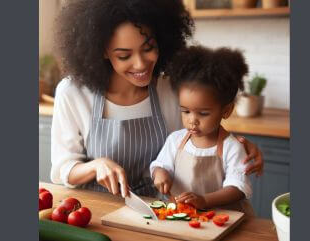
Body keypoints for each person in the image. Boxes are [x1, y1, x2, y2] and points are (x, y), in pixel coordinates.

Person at [50, 0, 264, 199]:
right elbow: (62, 171)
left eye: (148, 48)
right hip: (98, 210)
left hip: (155, 210)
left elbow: (197, 137)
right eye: (124, 55)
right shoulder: (73, 93)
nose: (141, 64)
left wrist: (236, 147)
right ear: (103, 51)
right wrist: (95, 166)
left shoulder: (170, 89)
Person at [149, 45, 255, 215]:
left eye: (203, 113)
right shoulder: (175, 140)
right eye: (185, 111)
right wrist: (160, 173)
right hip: (183, 217)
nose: (192, 120)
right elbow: (160, 165)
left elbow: (238, 187)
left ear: (226, 111)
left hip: (221, 219)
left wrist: (204, 200)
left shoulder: (232, 148)